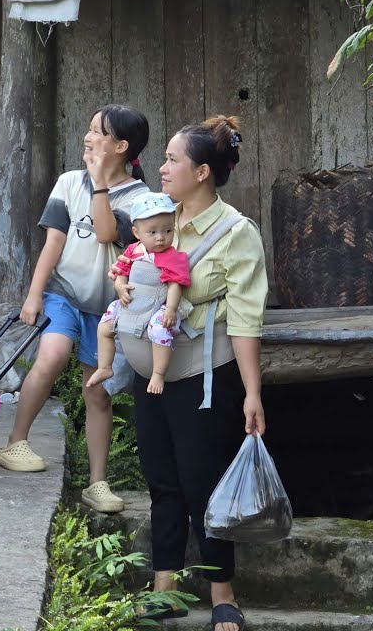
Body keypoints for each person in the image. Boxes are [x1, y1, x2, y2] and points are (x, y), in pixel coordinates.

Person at [129, 115, 267, 631]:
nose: (161, 168)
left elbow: (248, 318)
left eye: (172, 160)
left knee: (203, 482)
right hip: (152, 372)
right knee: (161, 480)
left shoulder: (235, 233)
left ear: (203, 172)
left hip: (207, 373)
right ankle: (164, 584)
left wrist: (252, 393)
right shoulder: (157, 222)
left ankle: (222, 593)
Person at [0, 104, 153, 515]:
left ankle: (98, 483)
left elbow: (105, 233)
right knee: (53, 354)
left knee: (96, 391)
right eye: (88, 128)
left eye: (98, 132)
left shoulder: (143, 200)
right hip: (63, 292)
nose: (88, 137)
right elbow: (54, 244)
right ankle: (15, 443)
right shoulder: (68, 182)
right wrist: (34, 294)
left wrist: (100, 183)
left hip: (108, 308)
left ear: (121, 146)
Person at [86, 192, 190, 395]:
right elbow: (121, 271)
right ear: (137, 232)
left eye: (168, 230)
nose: (161, 237)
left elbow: (175, 284)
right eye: (152, 232)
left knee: (160, 330)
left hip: (160, 303)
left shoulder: (172, 257)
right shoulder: (133, 250)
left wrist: (170, 308)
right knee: (105, 324)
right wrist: (120, 287)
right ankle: (105, 367)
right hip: (133, 300)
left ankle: (158, 373)